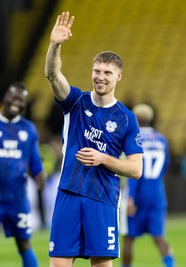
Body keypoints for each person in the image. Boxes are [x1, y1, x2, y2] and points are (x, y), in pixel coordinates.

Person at [44, 11, 143, 267]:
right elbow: (53, 76)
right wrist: (55, 45)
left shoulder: (126, 118)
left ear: (118, 76)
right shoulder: (76, 101)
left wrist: (103, 158)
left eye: (107, 73)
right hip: (69, 193)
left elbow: (136, 169)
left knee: (101, 264)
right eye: (97, 71)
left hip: (102, 198)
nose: (100, 77)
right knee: (58, 264)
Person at [0, 82, 45, 267]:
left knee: (24, 243)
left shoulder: (28, 128)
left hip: (17, 197)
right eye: (14, 97)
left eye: (21, 100)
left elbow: (34, 160)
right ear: (6, 97)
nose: (17, 102)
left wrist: (39, 175)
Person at [121, 103, 175, 267]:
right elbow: (166, 166)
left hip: (137, 194)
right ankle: (170, 264)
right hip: (157, 193)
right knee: (159, 236)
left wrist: (130, 197)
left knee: (129, 238)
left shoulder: (134, 138)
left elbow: (132, 170)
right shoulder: (162, 140)